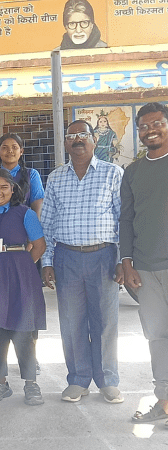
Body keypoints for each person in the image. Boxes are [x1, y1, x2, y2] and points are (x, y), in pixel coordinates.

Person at [40, 120, 124, 404]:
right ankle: (78, 380)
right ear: (65, 143)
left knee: (105, 322)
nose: (77, 139)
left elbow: (123, 219)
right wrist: (47, 261)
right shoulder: (55, 178)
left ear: (93, 140)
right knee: (72, 321)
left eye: (83, 135)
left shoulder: (113, 173)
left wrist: (123, 258)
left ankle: (108, 380)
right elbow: (47, 223)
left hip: (103, 256)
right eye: (71, 135)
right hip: (66, 257)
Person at [0, 169, 46, 406]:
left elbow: (39, 246)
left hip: (19, 278)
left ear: (13, 189)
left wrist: (21, 266)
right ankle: (0, 383)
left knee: (23, 330)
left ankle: (31, 384)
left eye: (4, 187)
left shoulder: (25, 213)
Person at [121, 102, 168, 424]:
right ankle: (164, 403)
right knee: (157, 338)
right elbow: (126, 219)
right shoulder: (133, 172)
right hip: (146, 270)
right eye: (144, 126)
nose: (150, 129)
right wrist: (127, 262)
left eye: (157, 123)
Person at [0, 134, 45, 216]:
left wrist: (35, 222)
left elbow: (37, 203)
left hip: (23, 223)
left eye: (14, 147)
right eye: (4, 148)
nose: (10, 151)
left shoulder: (32, 174)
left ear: (21, 151)